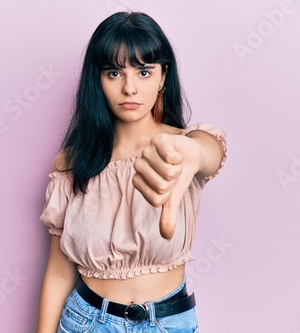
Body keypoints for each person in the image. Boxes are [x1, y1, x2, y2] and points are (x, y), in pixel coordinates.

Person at [37, 11, 226, 333]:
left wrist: (194, 152)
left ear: (163, 76)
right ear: (97, 79)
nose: (129, 88)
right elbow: (58, 273)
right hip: (86, 323)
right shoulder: (73, 162)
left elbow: (207, 150)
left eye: (143, 71)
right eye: (114, 73)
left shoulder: (179, 148)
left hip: (168, 323)